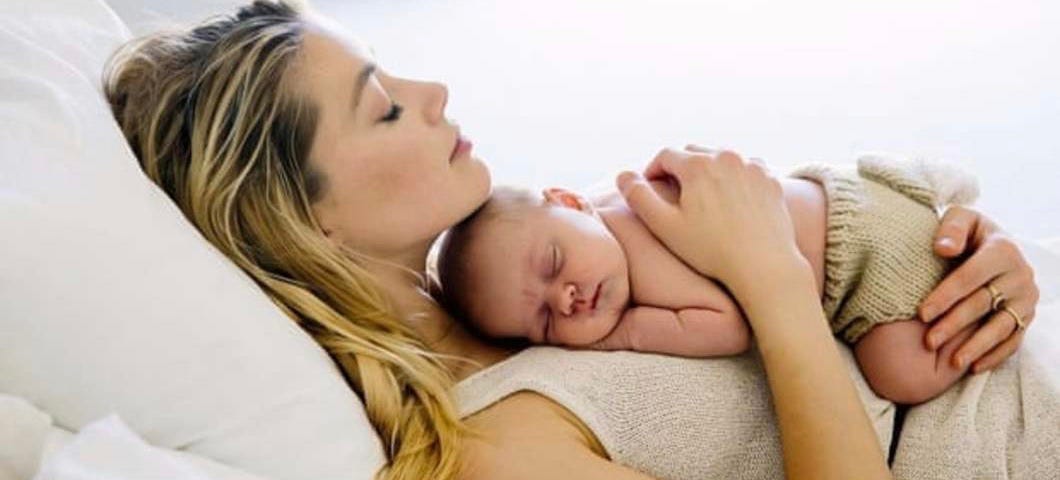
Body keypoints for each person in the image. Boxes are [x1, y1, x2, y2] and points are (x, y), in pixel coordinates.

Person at [100, 1, 1043, 479]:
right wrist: (772, 277)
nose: (432, 94)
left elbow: (837, 270)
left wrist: (948, 255)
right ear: (311, 222)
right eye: (384, 109)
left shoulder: (528, 287)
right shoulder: (495, 447)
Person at [436, 156, 990, 405]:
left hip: (866, 251)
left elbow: (727, 328)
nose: (568, 298)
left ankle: (980, 323)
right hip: (844, 195)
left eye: (554, 264)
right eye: (544, 320)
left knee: (900, 376)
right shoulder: (612, 202)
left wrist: (626, 333)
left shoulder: (638, 238)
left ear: (570, 200)